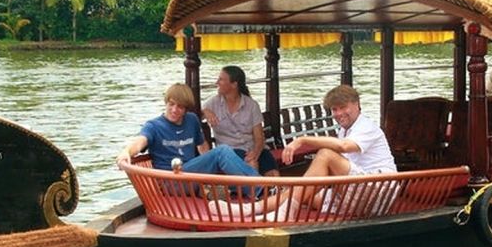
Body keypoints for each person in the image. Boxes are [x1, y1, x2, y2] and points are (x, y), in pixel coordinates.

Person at [217, 84, 397, 221]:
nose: (339, 113)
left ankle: (287, 211)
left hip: (378, 191)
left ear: (357, 104)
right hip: (353, 189)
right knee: (303, 192)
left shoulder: (367, 126)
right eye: (335, 109)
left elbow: (343, 147)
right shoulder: (345, 129)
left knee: (325, 154)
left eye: (343, 107)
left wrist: (303, 140)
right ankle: (252, 209)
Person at [116, 83, 259, 183]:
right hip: (171, 180)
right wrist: (126, 152)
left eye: (180, 107)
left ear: (185, 109)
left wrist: (211, 166)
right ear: (166, 103)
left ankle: (256, 188)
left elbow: (202, 146)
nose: (174, 110)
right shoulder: (154, 126)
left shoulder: (191, 120)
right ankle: (261, 188)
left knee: (224, 158)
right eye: (171, 104)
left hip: (191, 176)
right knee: (222, 151)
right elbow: (140, 141)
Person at [202, 65, 279, 176]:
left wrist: (255, 153)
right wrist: (205, 111)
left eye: (221, 79)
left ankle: (276, 192)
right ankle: (256, 193)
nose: (217, 82)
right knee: (252, 165)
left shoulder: (251, 105)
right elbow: (193, 115)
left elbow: (259, 137)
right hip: (230, 152)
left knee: (273, 174)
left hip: (254, 148)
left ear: (234, 84)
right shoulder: (212, 103)